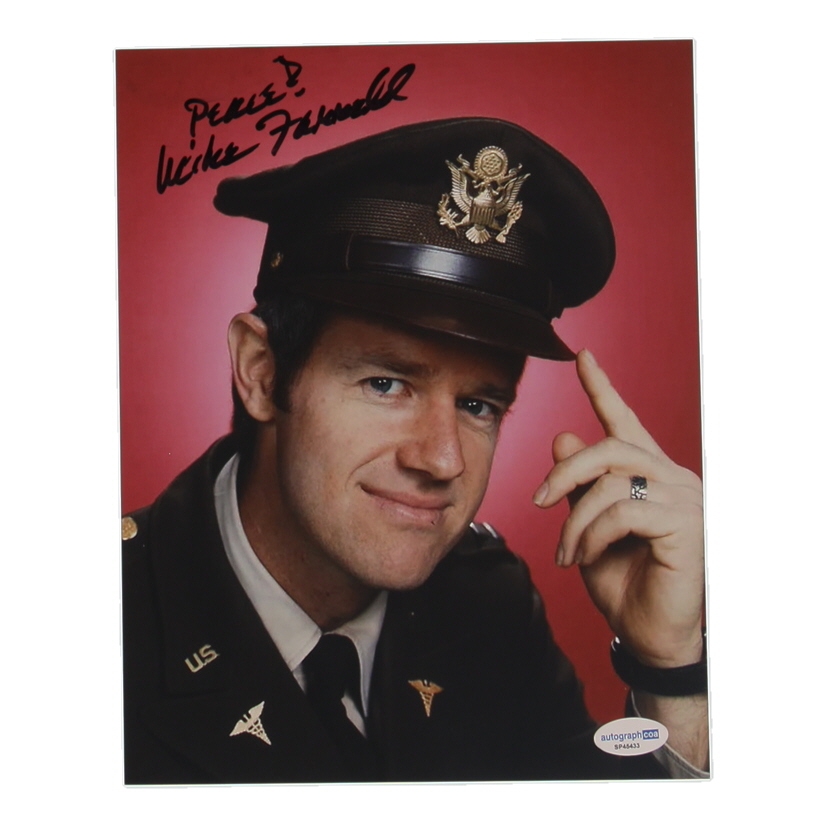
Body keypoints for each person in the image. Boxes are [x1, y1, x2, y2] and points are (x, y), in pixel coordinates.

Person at [121, 117, 708, 784]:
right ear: (261, 371)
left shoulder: (487, 603)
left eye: (478, 405)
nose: (443, 461)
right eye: (386, 384)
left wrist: (669, 667)